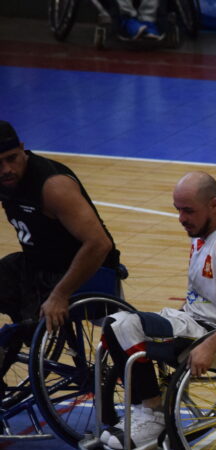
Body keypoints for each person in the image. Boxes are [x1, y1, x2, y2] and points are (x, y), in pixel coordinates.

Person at [99, 171, 216, 450]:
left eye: (188, 210)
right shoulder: (202, 231)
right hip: (194, 322)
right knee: (116, 323)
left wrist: (209, 346)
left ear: (214, 204)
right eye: (178, 210)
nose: (181, 218)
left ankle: (153, 415)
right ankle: (146, 410)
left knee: (122, 326)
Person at [0, 120, 119, 379]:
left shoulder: (53, 187)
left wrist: (60, 295)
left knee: (21, 329)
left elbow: (99, 244)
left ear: (23, 149)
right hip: (37, 264)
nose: (6, 169)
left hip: (83, 269)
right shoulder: (5, 178)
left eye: (12, 158)